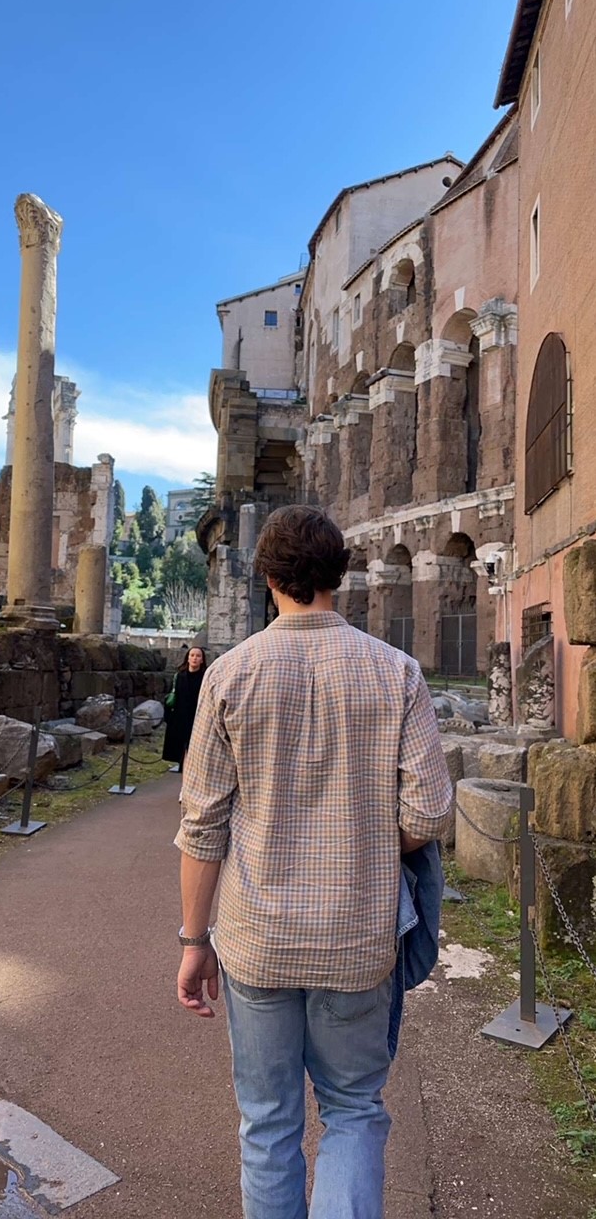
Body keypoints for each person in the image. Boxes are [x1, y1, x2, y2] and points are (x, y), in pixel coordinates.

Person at [174, 505, 452, 1219]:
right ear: (341, 575)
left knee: (267, 1123)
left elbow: (202, 826)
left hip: (256, 936)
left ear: (267, 577)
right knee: (354, 1108)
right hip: (359, 934)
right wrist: (360, 841)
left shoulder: (229, 676)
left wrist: (192, 940)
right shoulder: (397, 673)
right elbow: (427, 814)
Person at [162, 645, 208, 773]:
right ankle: (183, 765)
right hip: (180, 715)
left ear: (202, 660)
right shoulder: (180, 676)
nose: (194, 658)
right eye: (192, 655)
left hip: (197, 716)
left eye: (198, 656)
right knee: (180, 744)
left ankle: (191, 768)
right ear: (187, 658)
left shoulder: (205, 677)